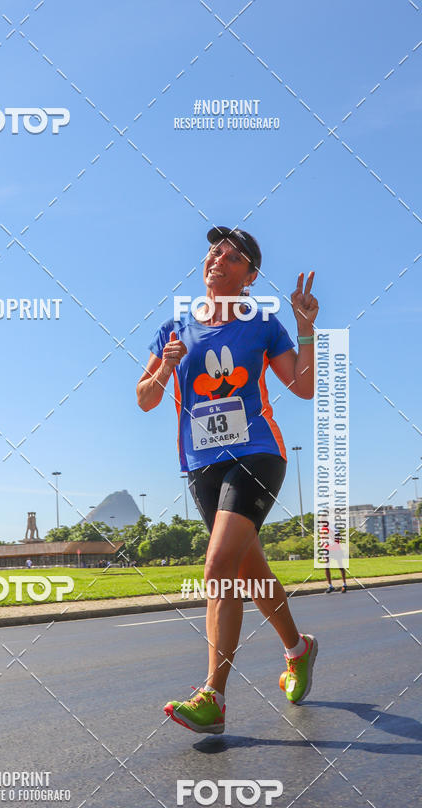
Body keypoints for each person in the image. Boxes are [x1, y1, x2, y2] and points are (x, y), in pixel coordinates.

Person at [137, 226, 319, 735]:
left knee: (218, 565)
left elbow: (303, 386)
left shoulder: (262, 324)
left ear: (250, 276)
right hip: (202, 465)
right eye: (215, 251)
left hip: (257, 453)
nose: (218, 258)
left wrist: (305, 328)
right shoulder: (174, 328)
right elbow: (145, 399)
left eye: (234, 257)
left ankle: (213, 697)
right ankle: (298, 649)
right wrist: (164, 368)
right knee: (248, 571)